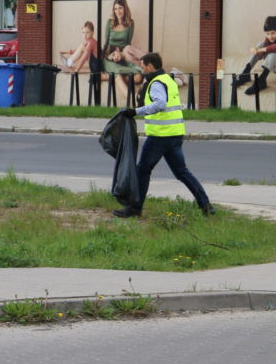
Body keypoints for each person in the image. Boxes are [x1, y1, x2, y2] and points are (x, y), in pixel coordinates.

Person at [113, 52, 214, 219]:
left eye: (143, 65)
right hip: (174, 134)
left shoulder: (156, 83)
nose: (142, 69)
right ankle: (206, 205)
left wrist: (135, 112)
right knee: (182, 172)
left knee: (143, 170)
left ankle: (134, 208)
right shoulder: (168, 79)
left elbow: (160, 104)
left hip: (160, 136)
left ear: (151, 66)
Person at [233, 15, 276, 96]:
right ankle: (246, 73)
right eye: (268, 33)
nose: (270, 36)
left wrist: (260, 50)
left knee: (273, 53)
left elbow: (273, 48)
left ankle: (262, 80)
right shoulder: (268, 39)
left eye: (273, 33)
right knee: (261, 44)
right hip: (273, 65)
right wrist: (255, 49)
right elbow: (264, 48)